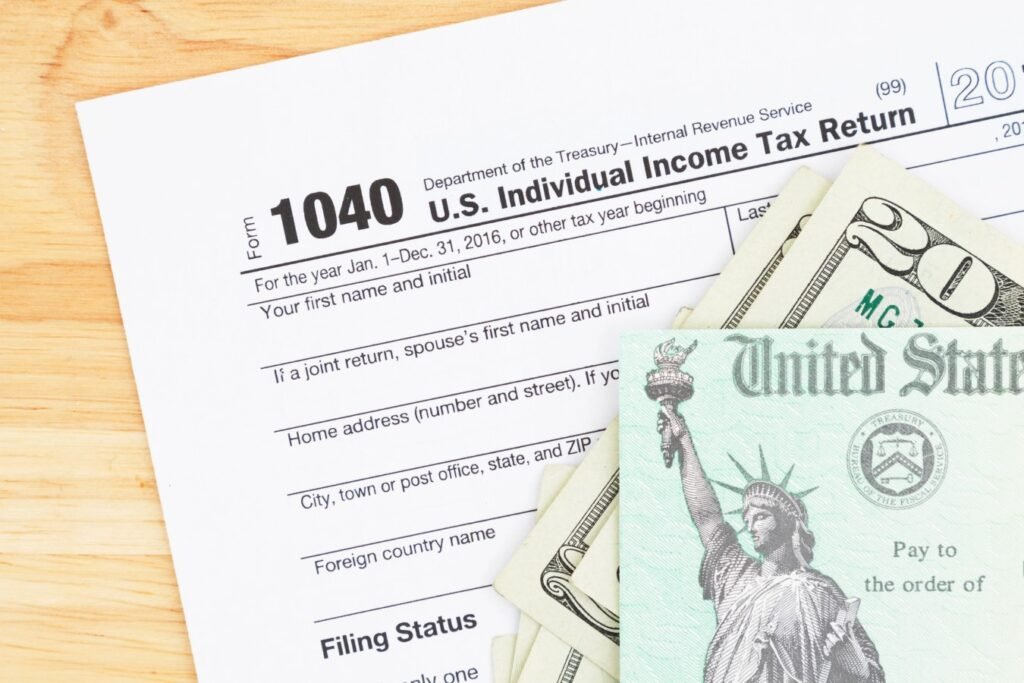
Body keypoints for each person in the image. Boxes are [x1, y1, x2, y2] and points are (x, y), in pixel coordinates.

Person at [658, 405, 885, 683]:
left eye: (761, 516)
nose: (750, 526)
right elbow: (706, 517)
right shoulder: (735, 576)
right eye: (747, 518)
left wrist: (850, 656)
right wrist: (685, 441)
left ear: (788, 523)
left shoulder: (821, 593)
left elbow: (870, 677)